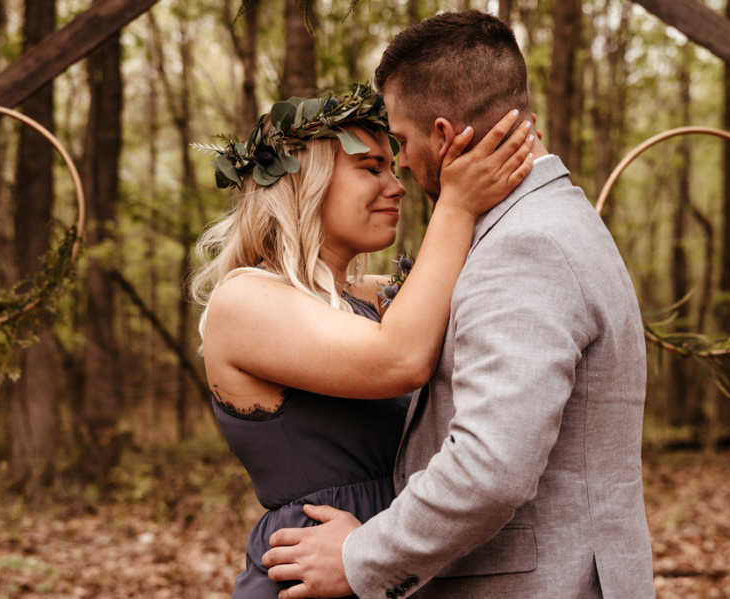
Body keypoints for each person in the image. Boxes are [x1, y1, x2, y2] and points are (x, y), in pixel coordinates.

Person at [262, 11, 655, 599]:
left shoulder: (526, 246)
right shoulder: (550, 223)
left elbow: (490, 469)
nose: (403, 166)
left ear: (445, 136)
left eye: (401, 143)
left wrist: (359, 556)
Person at [191, 82, 534, 599]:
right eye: (371, 168)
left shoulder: (382, 297)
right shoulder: (244, 301)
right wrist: (457, 205)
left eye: (394, 168)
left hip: (401, 558)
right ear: (306, 182)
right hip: (311, 571)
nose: (397, 186)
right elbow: (398, 360)